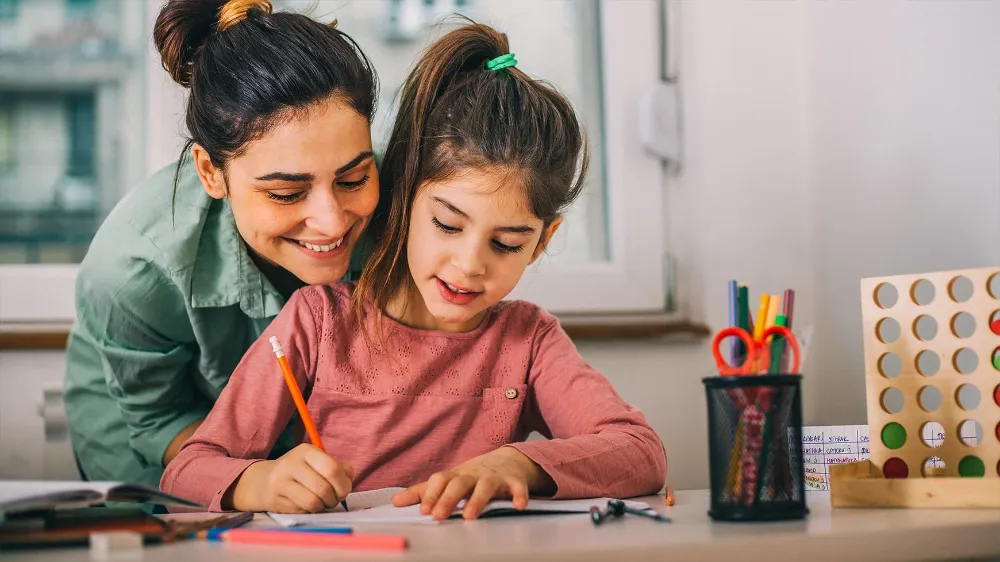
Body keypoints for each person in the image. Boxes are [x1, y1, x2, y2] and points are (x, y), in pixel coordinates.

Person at [161, 23, 667, 519]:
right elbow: (187, 469)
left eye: (507, 243)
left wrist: (518, 463)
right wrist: (260, 481)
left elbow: (641, 452)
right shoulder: (317, 323)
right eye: (448, 225)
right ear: (404, 200)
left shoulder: (528, 341)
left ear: (542, 242)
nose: (470, 265)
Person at [64, 0, 381, 488]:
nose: (331, 221)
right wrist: (252, 479)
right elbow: (157, 419)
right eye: (286, 193)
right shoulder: (134, 268)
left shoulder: (407, 207)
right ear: (211, 172)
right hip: (156, 444)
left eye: (354, 178)